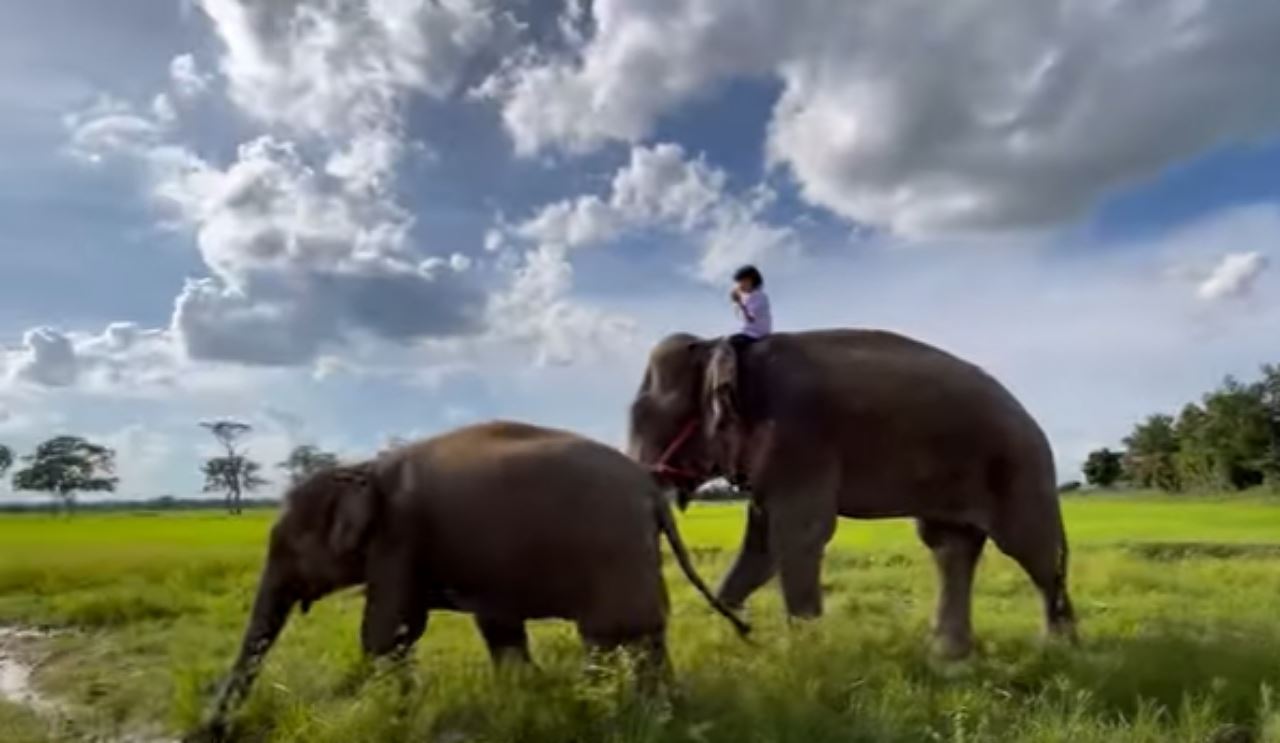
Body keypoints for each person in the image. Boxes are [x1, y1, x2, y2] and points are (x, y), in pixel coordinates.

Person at [729, 264, 771, 351]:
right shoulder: (750, 297)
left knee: (729, 344)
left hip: (755, 334)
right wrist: (737, 302)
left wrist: (740, 303)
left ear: (752, 281)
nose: (740, 285)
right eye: (739, 282)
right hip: (751, 332)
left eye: (743, 281)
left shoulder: (759, 296)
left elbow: (751, 318)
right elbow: (742, 317)